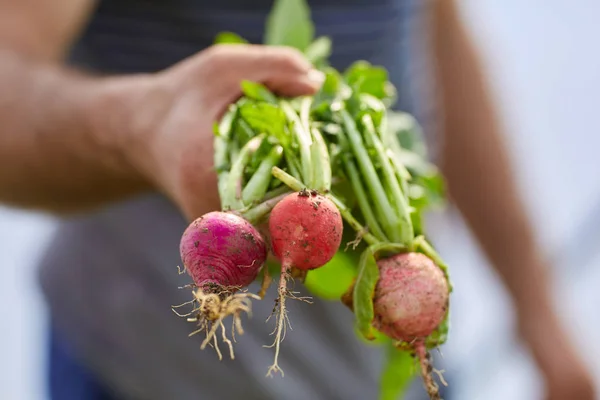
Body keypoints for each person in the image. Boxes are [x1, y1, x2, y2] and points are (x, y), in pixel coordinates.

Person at [0, 1, 594, 399]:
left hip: (389, 354)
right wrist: (142, 128)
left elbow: (430, 29)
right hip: (160, 359)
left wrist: (536, 311)